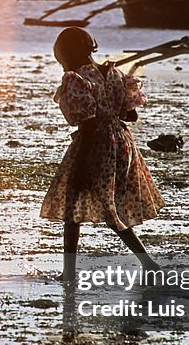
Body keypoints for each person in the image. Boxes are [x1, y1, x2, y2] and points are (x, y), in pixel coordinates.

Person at [40, 27, 165, 281]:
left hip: (95, 143)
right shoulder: (115, 74)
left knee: (74, 207)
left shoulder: (77, 80)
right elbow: (130, 114)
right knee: (111, 208)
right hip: (121, 142)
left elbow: (85, 123)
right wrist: (111, 112)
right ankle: (147, 264)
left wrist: (83, 164)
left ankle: (70, 272)